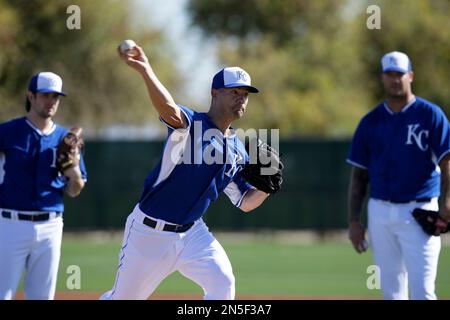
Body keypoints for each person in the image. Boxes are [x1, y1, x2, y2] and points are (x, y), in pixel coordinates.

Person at [100, 43, 278, 300]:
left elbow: (245, 202)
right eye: (235, 91)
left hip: (193, 233)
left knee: (223, 282)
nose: (242, 98)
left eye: (246, 94)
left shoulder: (239, 148)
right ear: (215, 93)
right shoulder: (191, 124)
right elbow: (167, 108)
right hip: (149, 234)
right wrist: (146, 70)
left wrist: (266, 189)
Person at [346, 51, 450, 300]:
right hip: (380, 210)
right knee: (392, 293)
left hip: (420, 208)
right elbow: (359, 174)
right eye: (389, 74)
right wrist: (354, 221)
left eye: (399, 74)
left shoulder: (430, 114)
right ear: (382, 78)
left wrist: (447, 201)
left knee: (423, 292)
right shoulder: (370, 121)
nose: (395, 80)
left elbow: (447, 161)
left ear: (410, 76)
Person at [0, 72, 87, 299]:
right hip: (10, 223)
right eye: (46, 95)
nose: (51, 102)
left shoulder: (65, 139)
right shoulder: (8, 133)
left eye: (56, 97)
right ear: (31, 96)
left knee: (42, 297)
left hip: (51, 226)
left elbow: (75, 190)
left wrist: (74, 172)